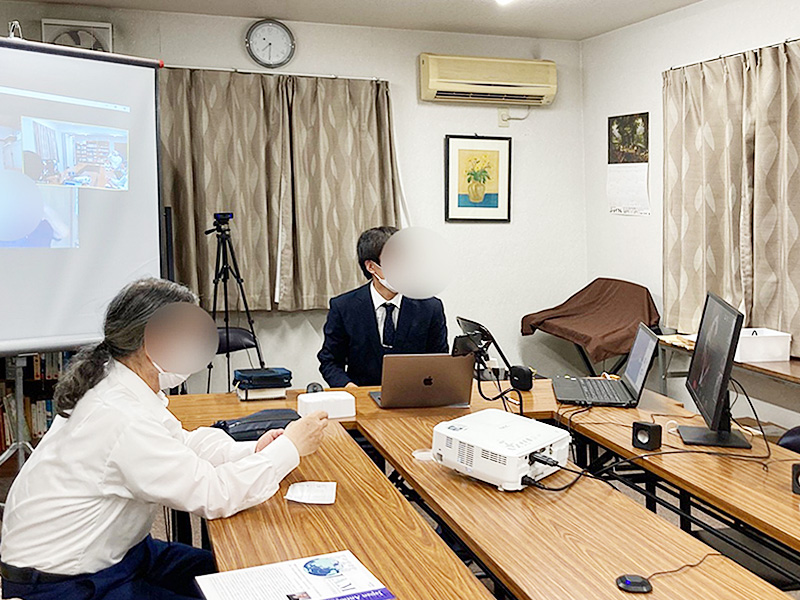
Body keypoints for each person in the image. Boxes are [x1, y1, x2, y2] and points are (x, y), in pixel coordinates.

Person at [0, 278, 329, 600]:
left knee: (256, 575)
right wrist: (290, 448)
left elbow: (181, 443)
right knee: (248, 582)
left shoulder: (122, 383)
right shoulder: (118, 414)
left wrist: (252, 450)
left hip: (122, 554)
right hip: (66, 583)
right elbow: (214, 495)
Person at [317, 226, 448, 387]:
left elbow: (439, 361)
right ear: (371, 266)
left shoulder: (430, 307)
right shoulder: (344, 307)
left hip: (414, 398)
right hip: (361, 399)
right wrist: (349, 387)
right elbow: (329, 361)